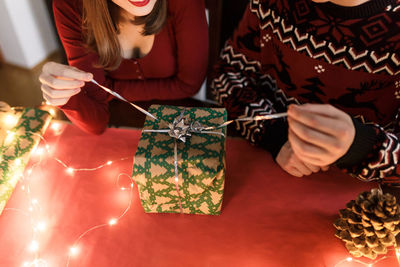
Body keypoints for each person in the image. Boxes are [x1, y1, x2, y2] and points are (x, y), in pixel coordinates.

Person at [211, 0, 400, 192]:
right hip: (269, 174)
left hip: (363, 200)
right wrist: (275, 135)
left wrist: (360, 146)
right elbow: (228, 75)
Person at [39, 0, 208, 134]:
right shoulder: (72, 6)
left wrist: (109, 89)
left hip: (183, 119)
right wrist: (66, 97)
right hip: (119, 129)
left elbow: (189, 85)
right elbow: (97, 124)